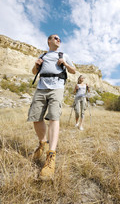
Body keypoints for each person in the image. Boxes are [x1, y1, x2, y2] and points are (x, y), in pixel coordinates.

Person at [27, 34, 76, 180]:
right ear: (49, 41)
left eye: (60, 39)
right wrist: (36, 66)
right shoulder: (43, 55)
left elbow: (73, 71)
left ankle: (51, 156)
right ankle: (42, 144)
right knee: (35, 117)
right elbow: (34, 72)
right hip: (41, 88)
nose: (58, 40)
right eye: (55, 38)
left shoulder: (63, 54)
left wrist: (65, 64)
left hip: (57, 88)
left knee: (54, 118)